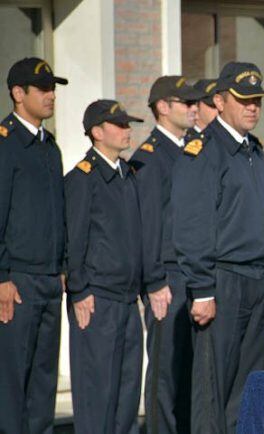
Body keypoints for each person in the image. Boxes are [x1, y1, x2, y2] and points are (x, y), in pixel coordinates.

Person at [171, 62, 264, 434]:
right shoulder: (204, 149)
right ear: (219, 100)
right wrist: (202, 288)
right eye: (243, 99)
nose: (252, 107)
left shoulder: (254, 149)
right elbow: (191, 223)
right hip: (224, 279)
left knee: (249, 386)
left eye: (257, 101)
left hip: (258, 279)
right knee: (213, 387)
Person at [66, 99, 145, 434]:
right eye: (119, 125)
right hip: (97, 301)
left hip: (127, 301)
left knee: (127, 395)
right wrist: (80, 290)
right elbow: (74, 239)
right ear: (97, 132)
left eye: (128, 124)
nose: (127, 130)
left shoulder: (127, 175)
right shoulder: (83, 179)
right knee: (97, 394)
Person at [131, 75, 203, 434]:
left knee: (192, 368)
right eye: (186, 102)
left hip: (196, 273)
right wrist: (155, 280)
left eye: (195, 103)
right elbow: (147, 225)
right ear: (163, 107)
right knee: (165, 370)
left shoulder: (195, 148)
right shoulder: (150, 157)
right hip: (169, 276)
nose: (193, 108)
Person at [0, 57, 67, 434]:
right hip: (17, 281)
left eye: (52, 88)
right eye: (43, 89)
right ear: (18, 93)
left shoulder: (48, 147)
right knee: (12, 385)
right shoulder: (7, 144)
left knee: (43, 383)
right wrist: (2, 276)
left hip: (47, 279)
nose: (51, 96)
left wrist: (61, 269)